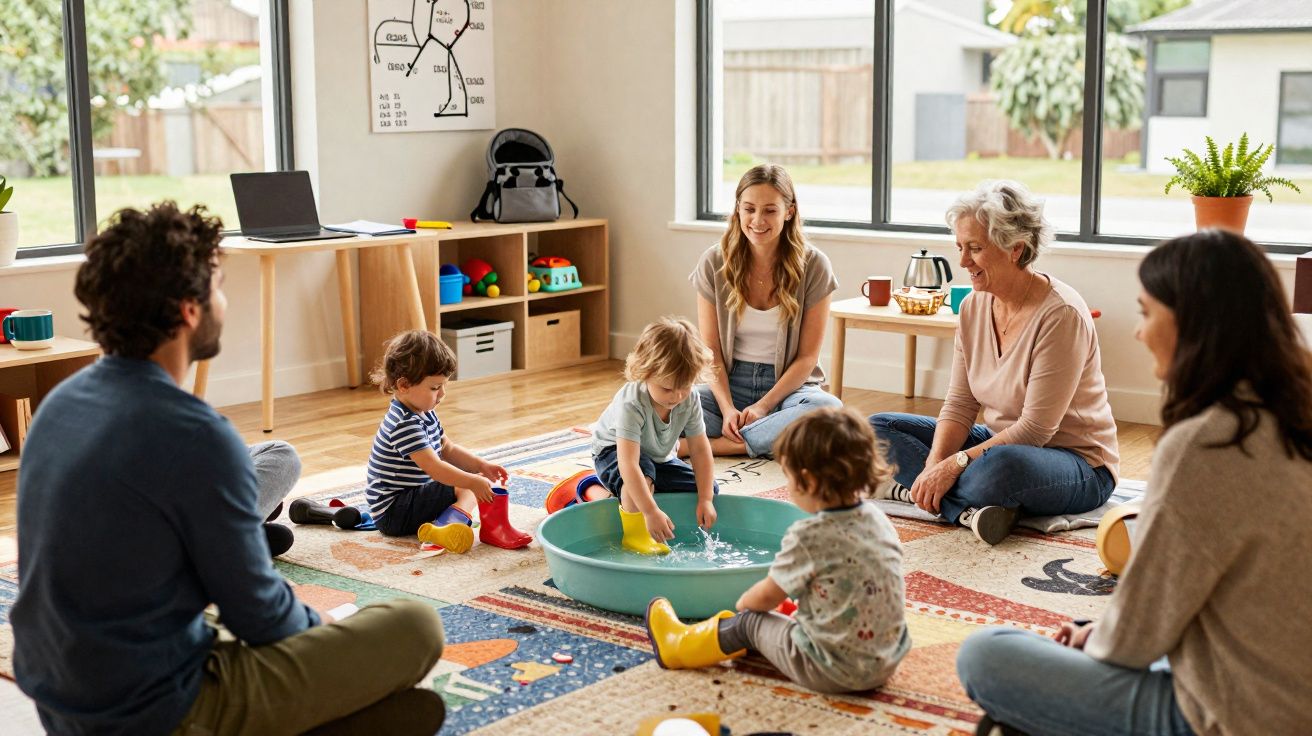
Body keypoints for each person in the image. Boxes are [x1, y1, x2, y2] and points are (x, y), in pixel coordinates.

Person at [12, 202, 446, 736]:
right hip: (154, 711)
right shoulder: (195, 433)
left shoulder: (60, 403)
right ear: (189, 311)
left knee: (409, 710)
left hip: (61, 699)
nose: (223, 301)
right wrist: (326, 626)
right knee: (416, 626)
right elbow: (262, 618)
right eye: (218, 287)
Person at [956, 229, 1312, 736]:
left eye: (1147, 313)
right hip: (1281, 683)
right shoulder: (1292, 412)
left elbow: (1138, 634)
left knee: (986, 654)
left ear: (1191, 320)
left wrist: (1096, 639)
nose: (1140, 333)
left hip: (1238, 715)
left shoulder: (1207, 443)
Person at [869, 180, 1119, 545]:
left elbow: (1035, 430)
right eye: (960, 247)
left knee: (999, 469)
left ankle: (914, 491)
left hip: (1077, 463)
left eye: (975, 248)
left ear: (1015, 248)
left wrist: (954, 465)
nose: (963, 261)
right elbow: (960, 403)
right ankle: (964, 509)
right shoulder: (973, 306)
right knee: (876, 429)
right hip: (999, 441)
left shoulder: (1061, 314)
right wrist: (935, 465)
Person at [646, 407, 909, 693]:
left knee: (749, 622)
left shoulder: (810, 537)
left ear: (807, 481)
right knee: (793, 607)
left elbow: (763, 598)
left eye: (788, 476)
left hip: (830, 670)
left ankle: (677, 646)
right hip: (885, 661)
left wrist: (744, 604)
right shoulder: (879, 521)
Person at [685, 163, 842, 459]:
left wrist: (763, 406)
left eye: (770, 210)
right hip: (729, 386)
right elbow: (711, 352)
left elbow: (807, 357)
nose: (758, 220)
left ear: (789, 212)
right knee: (656, 401)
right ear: (738, 210)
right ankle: (769, 439)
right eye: (749, 209)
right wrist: (727, 409)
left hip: (788, 391)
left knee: (828, 412)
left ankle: (714, 446)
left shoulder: (815, 266)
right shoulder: (713, 262)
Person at [361, 329, 531, 552]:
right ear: (404, 385)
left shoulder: (424, 411)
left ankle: (453, 520)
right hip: (393, 513)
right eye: (434, 387)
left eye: (444, 386)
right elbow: (435, 468)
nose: (442, 394)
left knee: (473, 481)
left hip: (410, 499)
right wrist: (471, 481)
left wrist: (480, 466)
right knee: (467, 485)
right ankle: (447, 526)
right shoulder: (404, 424)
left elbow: (447, 448)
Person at [589, 317, 720, 555]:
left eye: (685, 387)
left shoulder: (690, 398)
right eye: (667, 388)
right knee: (642, 473)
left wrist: (706, 499)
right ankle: (633, 535)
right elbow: (629, 464)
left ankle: (630, 494)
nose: (677, 396)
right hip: (613, 453)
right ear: (645, 373)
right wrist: (650, 512)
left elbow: (700, 450)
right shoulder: (632, 403)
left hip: (657, 458)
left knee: (709, 487)